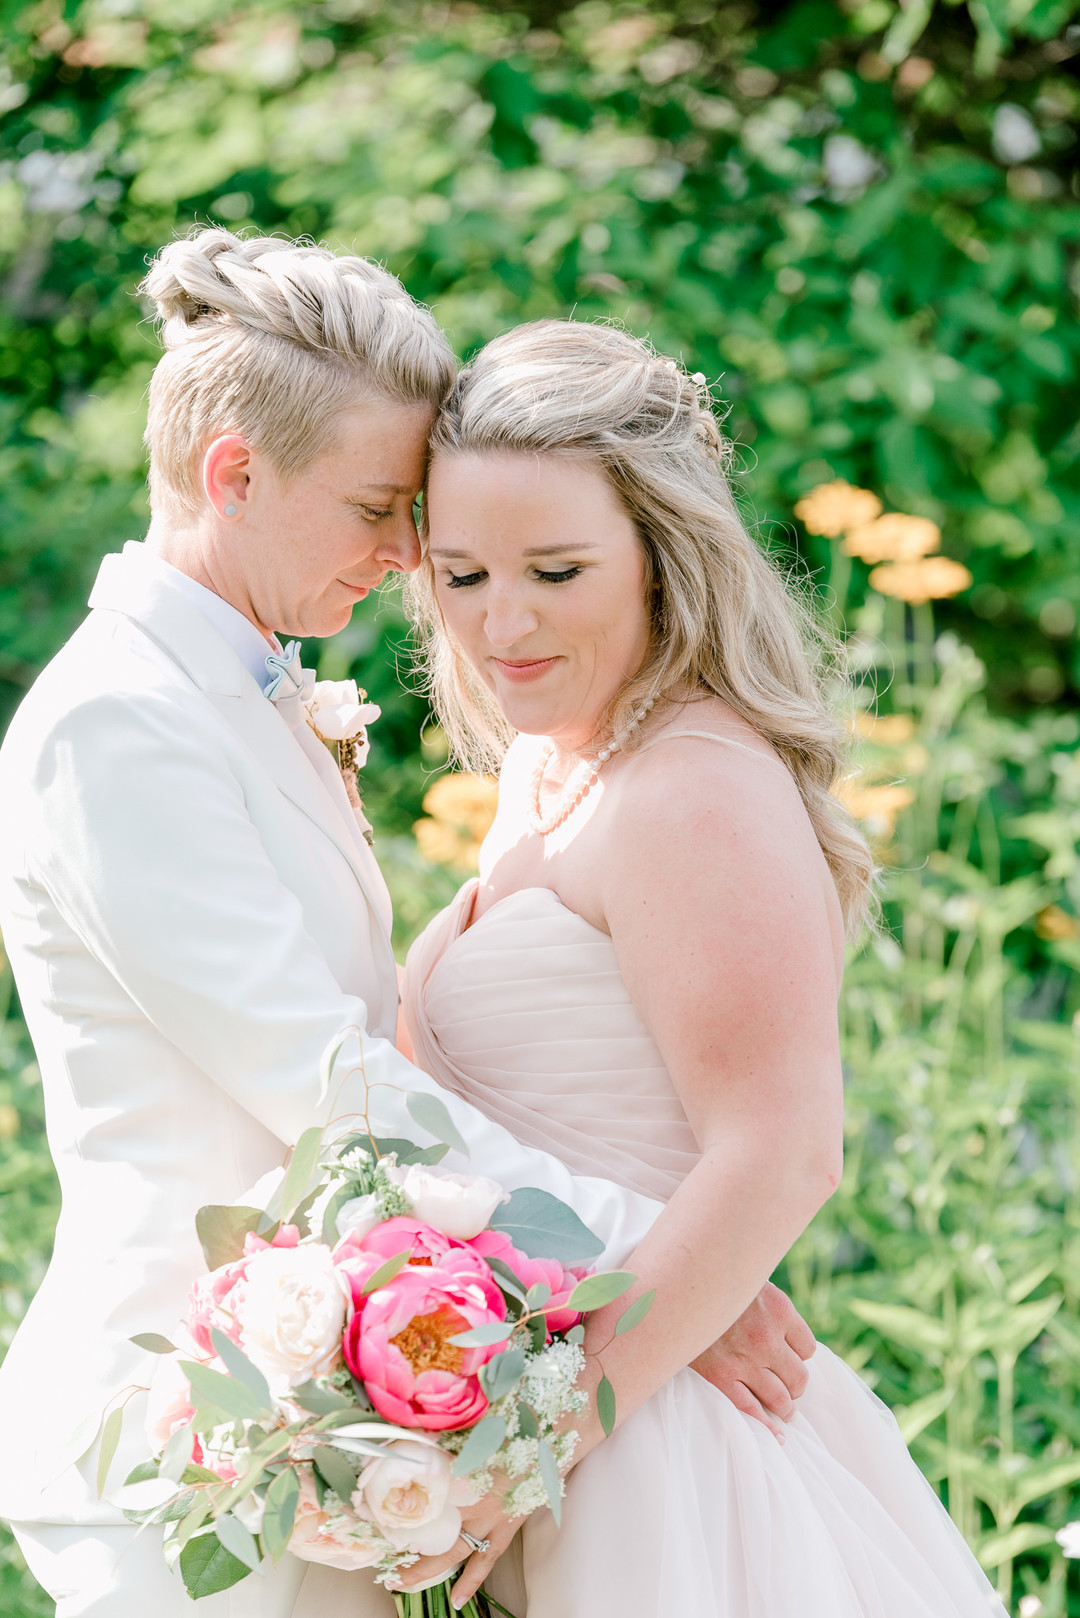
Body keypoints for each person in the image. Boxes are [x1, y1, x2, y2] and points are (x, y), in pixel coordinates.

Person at [0, 233, 810, 1618]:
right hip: (195, 1425)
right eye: (381, 506)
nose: (405, 555)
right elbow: (327, 1084)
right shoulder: (119, 722)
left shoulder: (240, 694)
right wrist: (654, 1266)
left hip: (341, 1418)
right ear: (234, 475)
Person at [393, 319, 1009, 1616]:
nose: (503, 621)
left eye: (557, 571)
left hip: (650, 1449)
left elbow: (782, 1151)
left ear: (663, 555)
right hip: (561, 1406)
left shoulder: (692, 788)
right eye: (462, 574)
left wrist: (543, 1439)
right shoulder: (549, 762)